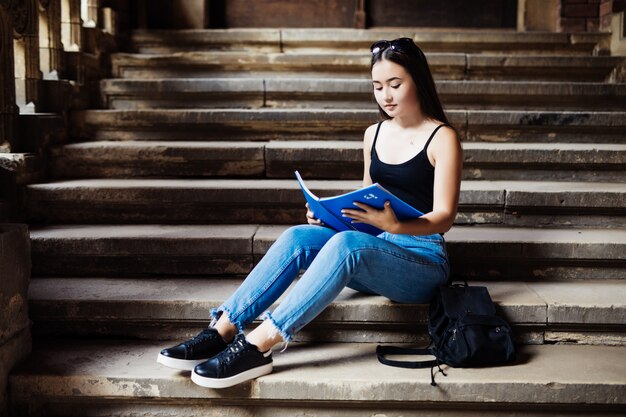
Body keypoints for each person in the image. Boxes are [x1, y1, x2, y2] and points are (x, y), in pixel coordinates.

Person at [156, 37, 462, 389]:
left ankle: (259, 345)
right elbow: (365, 201)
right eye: (377, 86)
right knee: (300, 236)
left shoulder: (442, 137)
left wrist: (397, 224)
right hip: (373, 246)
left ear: (418, 81)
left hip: (422, 258)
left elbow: (445, 217)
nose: (386, 96)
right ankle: (222, 329)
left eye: (395, 84)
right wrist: (331, 217)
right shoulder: (373, 134)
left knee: (348, 245)